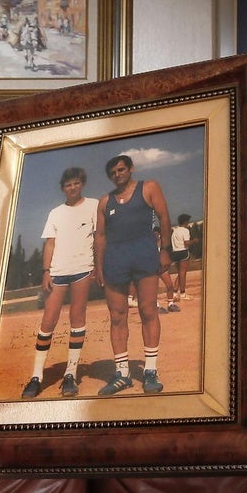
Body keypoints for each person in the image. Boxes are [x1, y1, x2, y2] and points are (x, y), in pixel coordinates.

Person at [94, 155, 172, 396]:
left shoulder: (148, 187)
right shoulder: (105, 201)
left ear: (130, 169)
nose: (118, 175)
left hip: (144, 255)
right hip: (115, 260)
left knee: (148, 311)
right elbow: (100, 236)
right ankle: (122, 374)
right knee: (117, 316)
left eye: (121, 169)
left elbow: (164, 217)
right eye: (113, 172)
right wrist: (98, 266)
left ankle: (149, 371)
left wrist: (165, 250)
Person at [21, 168, 98, 398]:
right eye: (68, 185)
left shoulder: (93, 205)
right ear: (62, 188)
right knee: (48, 320)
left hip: (83, 269)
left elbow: (101, 236)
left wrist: (98, 266)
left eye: (76, 183)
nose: (72, 188)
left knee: (77, 318)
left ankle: (70, 374)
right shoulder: (55, 212)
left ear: (82, 183)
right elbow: (50, 244)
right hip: (58, 272)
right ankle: (36, 376)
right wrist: (46, 271)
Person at [171, 213, 198, 301]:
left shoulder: (175, 231)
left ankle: (175, 292)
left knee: (180, 273)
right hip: (183, 252)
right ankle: (182, 293)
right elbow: (186, 243)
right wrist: (194, 241)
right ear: (185, 222)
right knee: (183, 273)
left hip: (175, 252)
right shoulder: (185, 231)